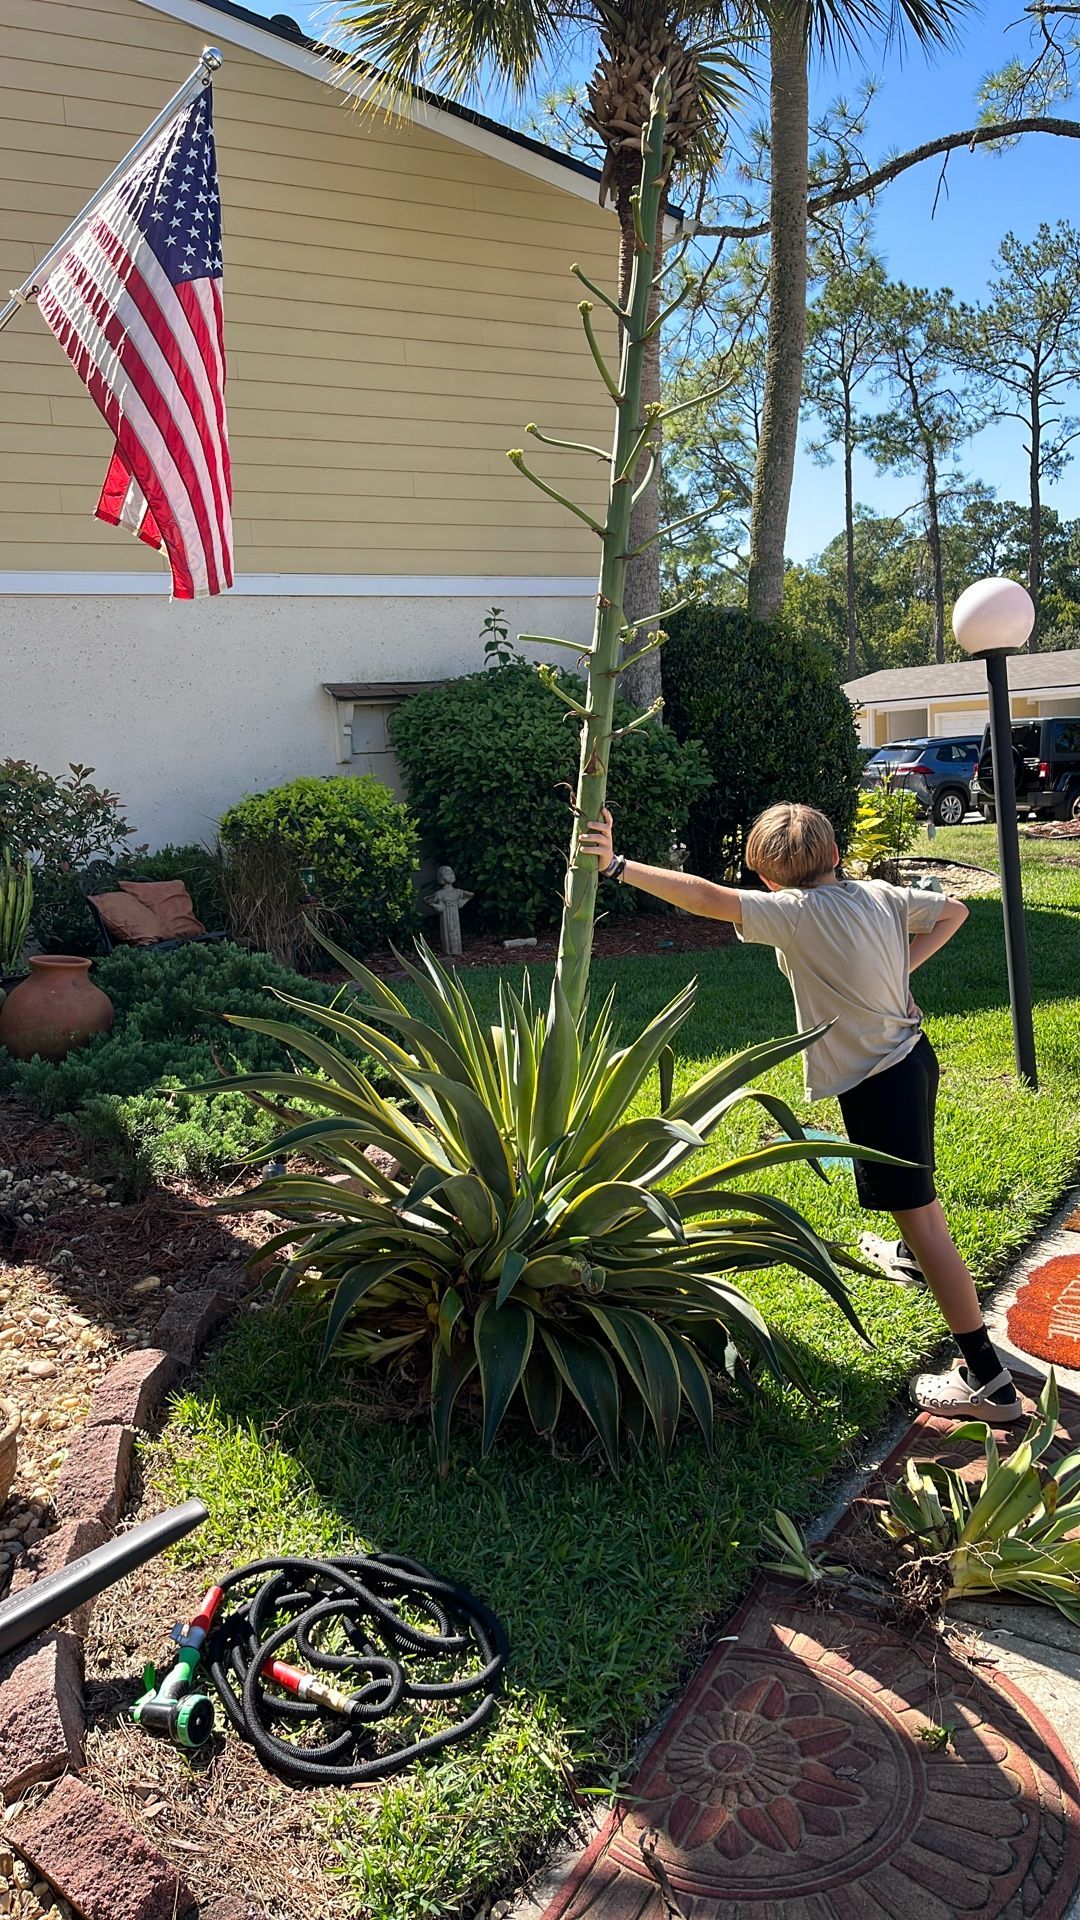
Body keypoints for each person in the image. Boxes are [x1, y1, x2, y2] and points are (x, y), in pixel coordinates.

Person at [579, 800, 1022, 1423]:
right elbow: (954, 910)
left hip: (879, 1082)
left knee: (923, 1216)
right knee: (912, 1191)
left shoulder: (794, 913)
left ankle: (989, 1381)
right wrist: (903, 966)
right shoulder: (877, 895)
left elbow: (709, 899)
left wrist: (619, 865)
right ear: (836, 856)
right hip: (914, 1059)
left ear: (767, 877)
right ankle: (911, 1261)